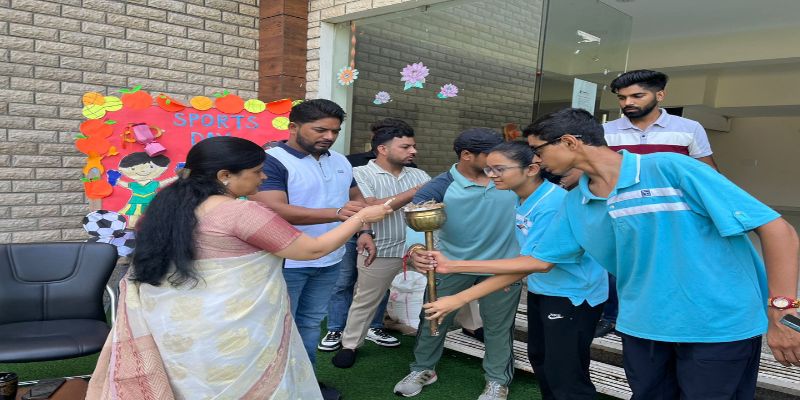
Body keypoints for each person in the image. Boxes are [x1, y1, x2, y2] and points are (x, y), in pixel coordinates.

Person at [423, 108, 800, 399]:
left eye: (538, 150)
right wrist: (457, 287)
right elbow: (538, 261)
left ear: (569, 142)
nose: (535, 160)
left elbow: (776, 229)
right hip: (643, 327)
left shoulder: (670, 167)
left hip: (718, 326)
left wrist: (782, 311)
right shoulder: (577, 202)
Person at [86, 136, 391, 399]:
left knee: (192, 386)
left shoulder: (167, 203)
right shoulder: (241, 212)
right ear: (224, 176)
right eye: (257, 172)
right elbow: (312, 249)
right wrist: (360, 219)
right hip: (231, 333)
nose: (263, 178)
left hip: (179, 328)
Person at [461, 141, 608, 399]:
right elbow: (531, 250)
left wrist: (455, 268)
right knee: (541, 359)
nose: (492, 175)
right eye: (488, 169)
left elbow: (540, 262)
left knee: (565, 374)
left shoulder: (553, 203)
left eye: (499, 169)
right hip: (544, 288)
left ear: (531, 169)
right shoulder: (523, 197)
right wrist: (510, 274)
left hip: (572, 293)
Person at [250, 99, 374, 400]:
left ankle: (305, 385)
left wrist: (364, 230)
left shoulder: (340, 161)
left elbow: (356, 199)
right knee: (279, 327)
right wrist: (340, 214)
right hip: (285, 261)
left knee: (310, 324)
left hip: (330, 259)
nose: (329, 137)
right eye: (320, 130)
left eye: (335, 131)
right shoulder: (271, 160)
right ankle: (274, 389)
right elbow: (275, 209)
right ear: (293, 127)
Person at [393, 128, 521, 400]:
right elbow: (416, 218)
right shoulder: (440, 185)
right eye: (491, 155)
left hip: (503, 268)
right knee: (433, 319)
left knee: (498, 327)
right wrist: (415, 249)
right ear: (466, 155)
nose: (499, 162)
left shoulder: (511, 180)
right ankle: (423, 369)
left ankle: (497, 381)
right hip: (451, 265)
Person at [596, 69, 719, 337]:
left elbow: (707, 173)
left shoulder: (688, 129)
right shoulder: (606, 132)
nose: (628, 102)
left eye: (637, 96)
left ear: (660, 95)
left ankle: (671, 316)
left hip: (674, 213)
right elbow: (599, 172)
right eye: (622, 98)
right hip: (623, 211)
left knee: (672, 264)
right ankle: (613, 316)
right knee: (619, 266)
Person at [331, 118, 431, 368]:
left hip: (419, 248)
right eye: (405, 147)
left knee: (441, 289)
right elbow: (371, 207)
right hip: (380, 246)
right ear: (383, 149)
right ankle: (350, 345)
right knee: (365, 299)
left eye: (413, 146)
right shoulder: (359, 173)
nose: (413, 151)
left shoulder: (419, 174)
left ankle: (437, 338)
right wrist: (414, 192)